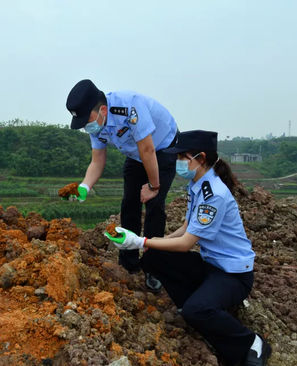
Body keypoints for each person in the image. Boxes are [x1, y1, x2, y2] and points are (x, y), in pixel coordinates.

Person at [104, 130, 272, 366]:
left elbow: (185, 244)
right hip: (211, 266)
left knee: (197, 310)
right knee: (154, 257)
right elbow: (184, 229)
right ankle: (193, 305)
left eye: (182, 157)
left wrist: (140, 241)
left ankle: (252, 343)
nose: (177, 162)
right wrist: (150, 244)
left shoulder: (213, 194)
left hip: (234, 276)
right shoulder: (197, 185)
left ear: (200, 158)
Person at [65, 79, 179, 293]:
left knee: (154, 206)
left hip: (162, 149)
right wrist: (84, 187)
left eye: (86, 120)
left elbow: (148, 151)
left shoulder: (129, 106)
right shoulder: (96, 124)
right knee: (129, 203)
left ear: (103, 110)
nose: (86, 127)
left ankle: (154, 267)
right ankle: (128, 263)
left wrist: (153, 187)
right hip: (136, 156)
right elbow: (97, 161)